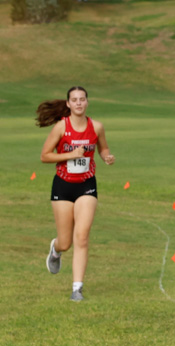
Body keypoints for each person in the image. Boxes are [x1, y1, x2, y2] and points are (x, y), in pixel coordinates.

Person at [37, 86, 115, 302]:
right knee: (66, 242)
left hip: (86, 185)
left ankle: (77, 289)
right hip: (63, 186)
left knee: (82, 235)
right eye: (75, 100)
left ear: (87, 102)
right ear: (68, 104)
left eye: (82, 99)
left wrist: (107, 157)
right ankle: (56, 249)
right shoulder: (61, 127)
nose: (79, 103)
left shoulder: (97, 127)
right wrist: (71, 154)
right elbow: (45, 156)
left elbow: (103, 149)